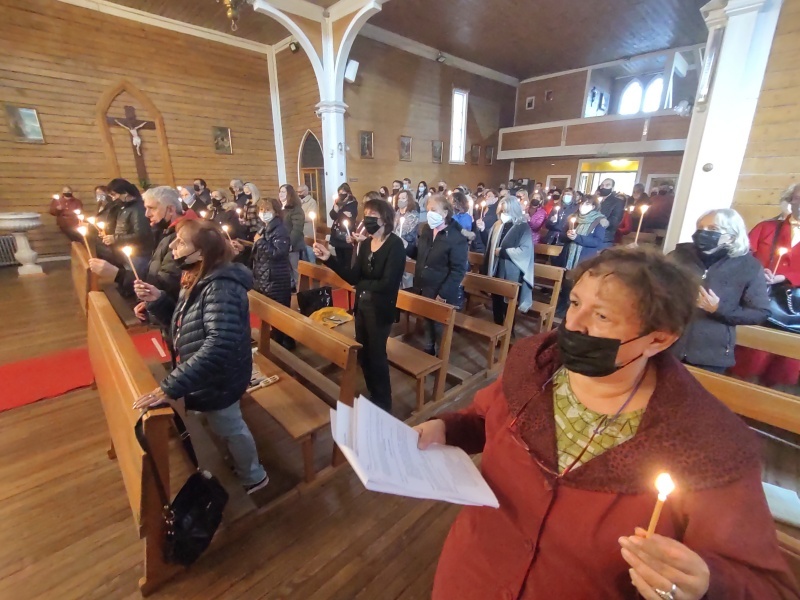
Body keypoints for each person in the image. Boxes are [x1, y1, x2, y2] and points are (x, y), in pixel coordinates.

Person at [415, 246, 800, 600]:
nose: (573, 324)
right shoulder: (535, 365)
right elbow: (485, 418)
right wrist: (447, 428)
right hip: (472, 577)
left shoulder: (706, 442)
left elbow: (768, 586)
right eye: (576, 302)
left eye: (601, 316)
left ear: (659, 340)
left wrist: (706, 582)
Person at [132, 219, 268, 494]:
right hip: (207, 375)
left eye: (181, 242)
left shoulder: (221, 287)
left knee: (231, 426)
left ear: (203, 252)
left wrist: (170, 386)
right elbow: (187, 325)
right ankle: (238, 461)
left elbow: (219, 345)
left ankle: (254, 475)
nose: (172, 245)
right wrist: (158, 299)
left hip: (221, 378)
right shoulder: (197, 275)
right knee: (221, 423)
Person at [314, 198, 406, 412]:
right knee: (364, 354)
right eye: (366, 215)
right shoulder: (365, 244)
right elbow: (353, 276)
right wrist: (329, 258)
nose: (367, 219)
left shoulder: (395, 245)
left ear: (385, 219)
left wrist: (361, 286)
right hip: (362, 307)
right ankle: (374, 392)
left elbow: (387, 283)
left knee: (377, 355)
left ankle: (384, 400)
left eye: (373, 215)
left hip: (380, 310)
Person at [669, 209, 769, 373]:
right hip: (667, 346)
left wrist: (718, 309)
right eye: (701, 227)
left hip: (710, 354)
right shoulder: (678, 257)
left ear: (731, 236)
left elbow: (760, 312)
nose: (704, 233)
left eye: (713, 229)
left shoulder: (748, 266)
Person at [730, 184, 800, 388]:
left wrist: (785, 276)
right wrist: (758, 271)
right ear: (789, 201)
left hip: (795, 310)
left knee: (785, 364)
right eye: (797, 198)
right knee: (751, 357)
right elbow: (743, 256)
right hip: (760, 299)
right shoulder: (767, 228)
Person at [88, 186, 191, 309]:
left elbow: (166, 283)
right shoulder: (164, 232)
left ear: (170, 209)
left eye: (151, 208)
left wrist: (118, 275)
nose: (147, 214)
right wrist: (149, 302)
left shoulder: (182, 237)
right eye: (145, 208)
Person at [411, 195, 468, 355]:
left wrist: (443, 294)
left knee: (437, 324)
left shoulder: (456, 238)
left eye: (433, 210)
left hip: (440, 288)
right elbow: (420, 254)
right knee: (426, 318)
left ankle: (442, 355)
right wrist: (406, 247)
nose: (429, 213)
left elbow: (458, 270)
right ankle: (429, 348)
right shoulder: (427, 231)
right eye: (428, 210)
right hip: (424, 285)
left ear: (444, 213)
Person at [252, 197, 294, 349]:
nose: (264, 213)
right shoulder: (265, 227)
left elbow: (279, 253)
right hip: (266, 277)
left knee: (280, 315)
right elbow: (261, 252)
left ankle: (285, 345)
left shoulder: (280, 229)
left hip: (276, 278)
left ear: (276, 212)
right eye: (261, 210)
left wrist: (260, 242)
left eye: (267, 210)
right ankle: (279, 342)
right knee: (272, 315)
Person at [482, 196, 534, 319]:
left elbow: (525, 250)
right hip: (495, 267)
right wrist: (482, 230)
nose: (502, 214)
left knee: (508, 301)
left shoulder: (522, 227)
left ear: (513, 210)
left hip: (511, 269)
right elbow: (488, 245)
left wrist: (504, 252)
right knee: (496, 298)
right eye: (501, 211)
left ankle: (509, 329)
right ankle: (498, 323)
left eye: (505, 211)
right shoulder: (497, 224)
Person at [104, 178, 153, 274]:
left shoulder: (138, 209)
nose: (113, 198)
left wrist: (115, 238)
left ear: (125, 193)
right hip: (128, 252)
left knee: (136, 280)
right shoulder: (124, 207)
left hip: (138, 254)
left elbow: (141, 234)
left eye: (114, 195)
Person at [280, 184, 306, 290]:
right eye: (280, 191)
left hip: (293, 245)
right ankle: (290, 288)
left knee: (296, 270)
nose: (280, 194)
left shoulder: (296, 209)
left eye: (283, 192)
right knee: (286, 269)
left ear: (289, 194)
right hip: (281, 243)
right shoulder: (280, 208)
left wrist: (290, 243)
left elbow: (297, 229)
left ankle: (300, 291)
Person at [329, 183, 359, 268]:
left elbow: (349, 217)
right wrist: (337, 210)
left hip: (347, 234)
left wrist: (338, 212)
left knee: (347, 260)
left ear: (348, 193)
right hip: (337, 235)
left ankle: (346, 279)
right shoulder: (337, 202)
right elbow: (332, 216)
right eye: (340, 193)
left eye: (343, 193)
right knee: (339, 259)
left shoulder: (353, 203)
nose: (341, 195)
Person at [596, 178, 625, 246]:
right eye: (602, 185)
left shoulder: (617, 202)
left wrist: (605, 222)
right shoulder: (595, 200)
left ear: (612, 188)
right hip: (589, 234)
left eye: (607, 185)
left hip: (604, 236)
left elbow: (615, 219)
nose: (604, 187)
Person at [394, 189, 419, 257]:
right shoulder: (397, 212)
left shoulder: (413, 215)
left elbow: (400, 233)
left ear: (409, 200)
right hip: (395, 243)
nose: (400, 200)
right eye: (399, 198)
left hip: (407, 246)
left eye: (403, 198)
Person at [297, 184, 318, 263]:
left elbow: (310, 216)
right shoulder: (297, 202)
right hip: (300, 231)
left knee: (310, 253)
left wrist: (298, 216)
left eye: (300, 192)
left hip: (308, 231)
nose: (299, 194)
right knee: (302, 255)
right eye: (297, 192)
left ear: (306, 191)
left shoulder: (312, 202)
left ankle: (313, 270)